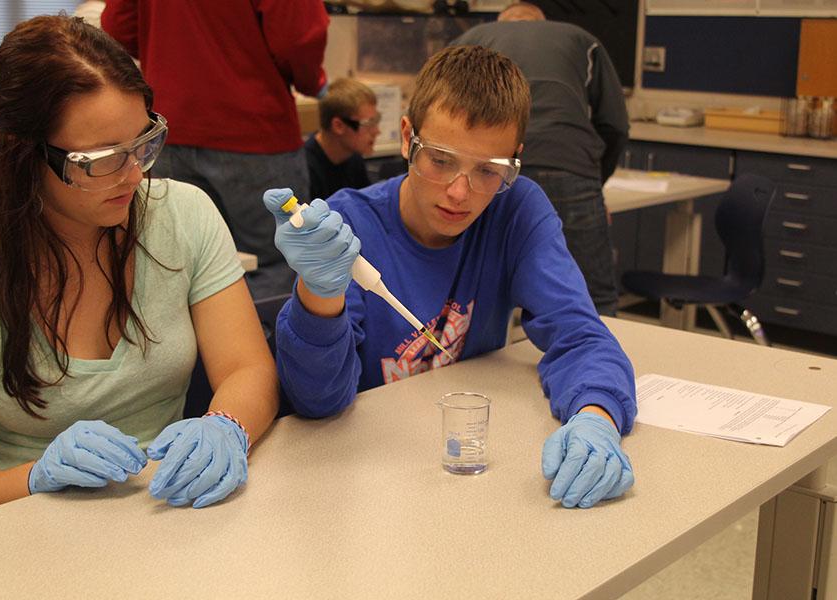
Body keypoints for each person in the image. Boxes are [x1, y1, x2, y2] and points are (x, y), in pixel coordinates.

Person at [0, 15, 278, 523]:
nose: (135, 173)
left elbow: (247, 369)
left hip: (163, 512)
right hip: (21, 533)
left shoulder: (183, 214)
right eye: (101, 159)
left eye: (143, 142)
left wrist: (227, 424)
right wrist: (35, 476)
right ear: (26, 157)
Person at [263, 45, 636, 509]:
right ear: (406, 138)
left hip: (468, 480)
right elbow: (317, 402)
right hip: (362, 484)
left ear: (514, 161)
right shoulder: (350, 226)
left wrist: (596, 416)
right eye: (439, 160)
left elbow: (581, 335)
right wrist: (317, 295)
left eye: (488, 171)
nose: (460, 193)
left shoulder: (516, 209)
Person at [101, 0, 329, 299]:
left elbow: (119, 25)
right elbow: (298, 37)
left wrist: (173, 56)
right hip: (254, 130)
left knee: (178, 264)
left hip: (168, 131)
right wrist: (314, 82)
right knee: (280, 261)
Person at [452, 2, 630, 316]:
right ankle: (596, 362)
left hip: (492, 168)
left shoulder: (476, 37)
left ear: (501, 22)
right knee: (594, 297)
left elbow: (439, 106)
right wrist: (593, 183)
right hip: (569, 167)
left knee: (474, 292)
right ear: (542, 21)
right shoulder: (581, 38)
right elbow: (615, 124)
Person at [305, 78, 380, 200]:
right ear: (338, 126)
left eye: (376, 121)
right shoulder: (305, 170)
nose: (377, 131)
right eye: (368, 124)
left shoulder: (353, 158)